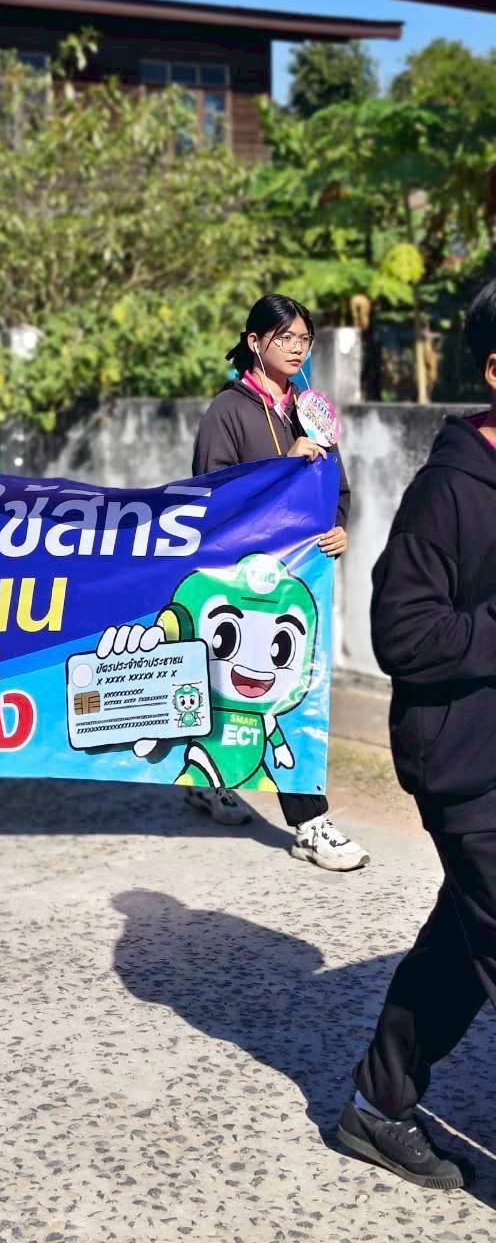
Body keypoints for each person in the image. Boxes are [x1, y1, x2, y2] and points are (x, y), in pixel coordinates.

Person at [336, 280, 496, 1191]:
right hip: (467, 763)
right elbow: (401, 633)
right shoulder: (449, 489)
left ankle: (376, 1102)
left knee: (464, 944)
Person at [191, 294, 370, 872]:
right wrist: (284, 464)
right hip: (240, 583)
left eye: (303, 339)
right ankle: (220, 785)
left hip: (300, 581)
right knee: (230, 689)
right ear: (254, 341)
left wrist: (338, 528)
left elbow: (337, 487)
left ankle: (305, 821)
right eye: (284, 337)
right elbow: (210, 495)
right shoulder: (227, 411)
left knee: (298, 696)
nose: (297, 348)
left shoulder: (312, 410)